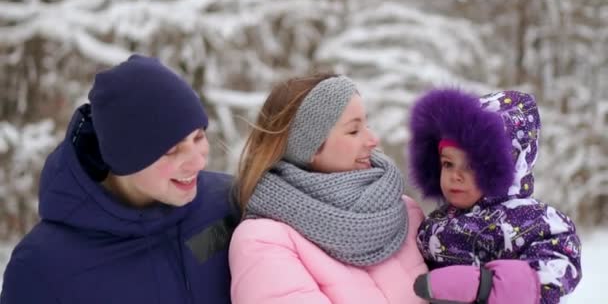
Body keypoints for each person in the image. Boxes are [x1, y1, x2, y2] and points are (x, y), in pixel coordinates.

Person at [0, 55, 237, 304]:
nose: (198, 162)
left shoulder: (228, 204)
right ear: (125, 158)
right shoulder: (43, 269)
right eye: (171, 150)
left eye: (198, 137)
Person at [229, 74, 428, 304]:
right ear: (309, 148)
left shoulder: (404, 213)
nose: (373, 139)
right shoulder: (263, 242)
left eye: (367, 124)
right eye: (354, 131)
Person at [407, 88, 582, 304]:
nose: (455, 176)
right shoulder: (433, 224)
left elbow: (559, 265)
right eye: (448, 164)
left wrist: (487, 285)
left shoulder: (532, 219)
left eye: (471, 166)